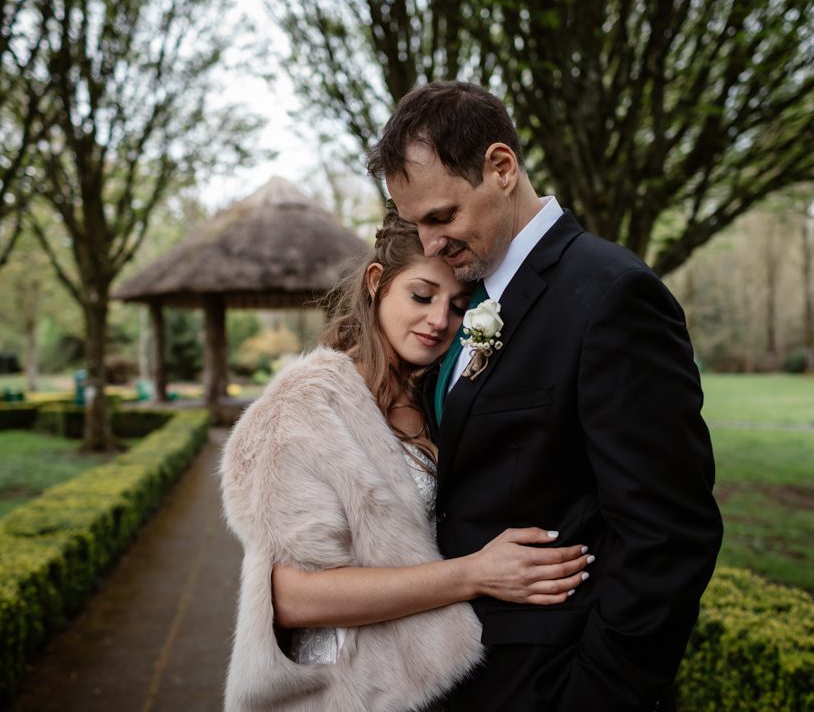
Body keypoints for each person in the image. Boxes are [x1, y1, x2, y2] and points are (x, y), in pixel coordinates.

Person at [368, 81, 724, 711]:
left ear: (501, 167)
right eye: (415, 223)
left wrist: (594, 696)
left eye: (442, 217)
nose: (429, 245)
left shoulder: (612, 295)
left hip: (550, 684)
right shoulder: (463, 302)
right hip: (453, 681)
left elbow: (669, 535)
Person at [219, 210, 593, 712]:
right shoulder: (304, 407)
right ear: (376, 282)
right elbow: (292, 597)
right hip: (339, 692)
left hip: (430, 685)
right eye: (421, 295)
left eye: (458, 306)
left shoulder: (435, 397)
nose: (439, 320)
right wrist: (474, 574)